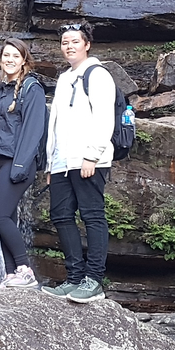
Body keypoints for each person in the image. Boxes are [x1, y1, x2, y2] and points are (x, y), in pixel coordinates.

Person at [41, 23, 115, 303]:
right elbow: (56, 123)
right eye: (64, 42)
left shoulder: (98, 75)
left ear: (87, 44)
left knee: (92, 216)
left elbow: (104, 118)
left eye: (74, 41)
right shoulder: (63, 78)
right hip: (62, 161)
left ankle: (94, 280)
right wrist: (50, 163)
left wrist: (92, 156)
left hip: (88, 159)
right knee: (61, 216)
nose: (69, 46)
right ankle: (74, 278)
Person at [0, 38, 47, 288]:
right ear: (0, 59)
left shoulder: (31, 88)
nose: (9, 60)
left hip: (17, 161)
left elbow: (34, 129)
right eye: (6, 56)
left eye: (15, 56)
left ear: (24, 60)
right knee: (7, 218)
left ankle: (24, 269)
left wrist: (21, 165)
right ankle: (11, 274)